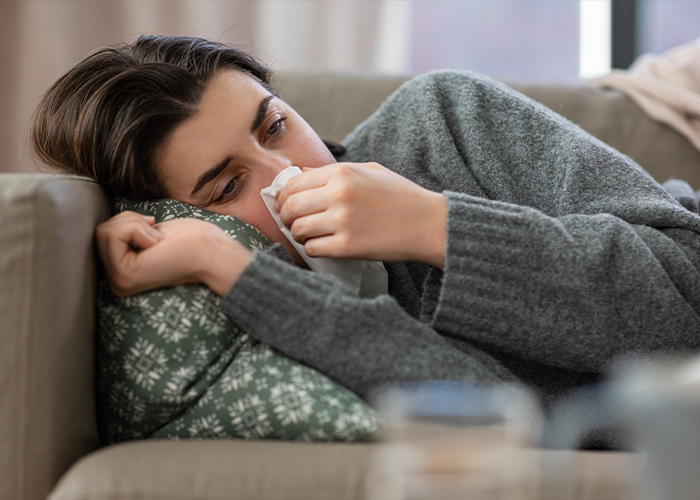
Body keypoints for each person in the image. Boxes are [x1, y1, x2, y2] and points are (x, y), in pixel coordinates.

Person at [29, 35, 700, 412]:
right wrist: (237, 272)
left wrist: (436, 226)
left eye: (277, 126)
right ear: (171, 218)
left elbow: (686, 306)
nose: (288, 171)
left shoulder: (447, 119)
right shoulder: (222, 308)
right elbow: (501, 414)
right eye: (231, 184)